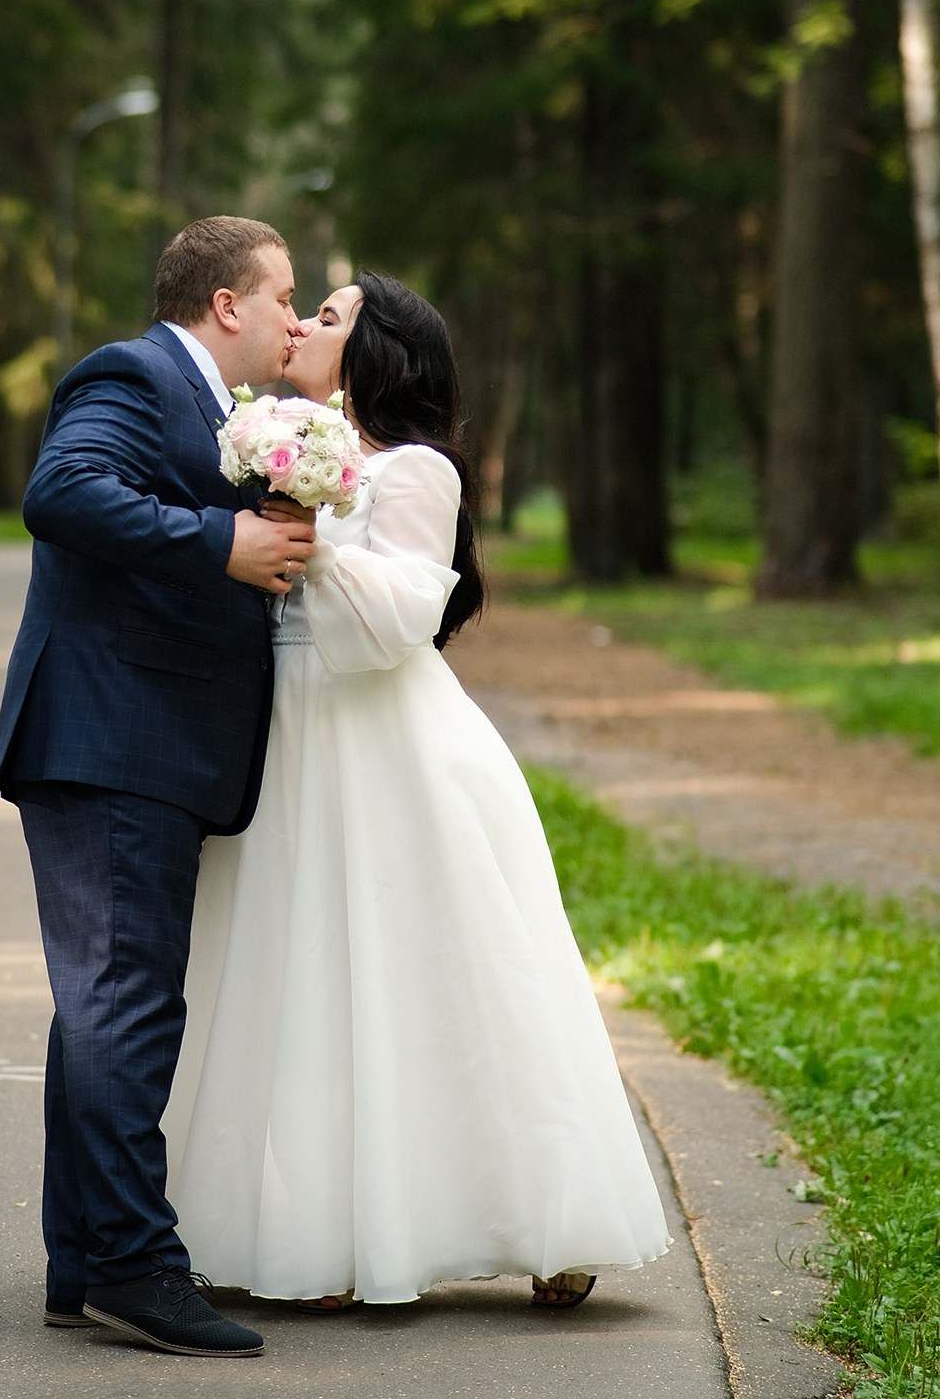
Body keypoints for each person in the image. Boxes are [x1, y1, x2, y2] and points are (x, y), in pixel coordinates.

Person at [164, 271, 673, 1309]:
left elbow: (396, 625)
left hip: (388, 740)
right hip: (288, 737)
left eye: (332, 315)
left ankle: (545, 1213)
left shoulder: (414, 472)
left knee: (441, 977)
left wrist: (305, 527)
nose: (304, 324)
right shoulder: (268, 441)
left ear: (375, 351)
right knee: (297, 978)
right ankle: (317, 1232)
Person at [0, 216, 317, 1359]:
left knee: (102, 1008)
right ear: (226, 304)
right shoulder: (132, 374)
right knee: (126, 1002)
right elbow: (62, 492)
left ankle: (83, 1259)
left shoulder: (221, 413)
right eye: (284, 296)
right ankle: (137, 1263)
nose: (294, 316)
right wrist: (217, 544)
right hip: (112, 737)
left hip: (142, 742)